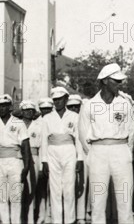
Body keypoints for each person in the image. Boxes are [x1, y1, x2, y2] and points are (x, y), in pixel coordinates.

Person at [78, 63, 134, 224]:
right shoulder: (89, 105)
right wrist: (94, 152)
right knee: (97, 202)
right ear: (104, 81)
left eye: (120, 81)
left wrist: (125, 151)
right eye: (115, 81)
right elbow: (83, 133)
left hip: (121, 151)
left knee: (125, 200)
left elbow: (131, 131)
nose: (119, 84)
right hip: (98, 152)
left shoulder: (125, 104)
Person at [0, 94, 32, 224]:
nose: (2, 109)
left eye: (5, 106)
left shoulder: (18, 123)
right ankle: (5, 221)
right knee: (1, 197)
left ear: (10, 107)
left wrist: (27, 166)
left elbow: (25, 146)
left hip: (15, 161)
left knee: (16, 196)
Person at [41, 87, 84, 224]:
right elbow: (43, 141)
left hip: (69, 152)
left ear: (66, 99)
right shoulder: (47, 118)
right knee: (55, 189)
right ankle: (57, 220)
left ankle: (70, 220)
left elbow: (78, 139)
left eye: (60, 99)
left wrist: (80, 158)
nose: (58, 102)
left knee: (69, 187)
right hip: (52, 152)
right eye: (55, 100)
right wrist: (44, 161)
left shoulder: (74, 116)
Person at [63, 94, 89, 224]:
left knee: (82, 184)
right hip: (67, 153)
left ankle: (81, 215)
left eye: (76, 106)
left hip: (84, 154)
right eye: (70, 106)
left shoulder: (85, 119)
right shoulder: (66, 119)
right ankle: (68, 215)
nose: (74, 108)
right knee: (68, 185)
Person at [20, 100, 42, 224]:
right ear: (22, 111)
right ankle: (19, 217)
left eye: (31, 110)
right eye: (26, 110)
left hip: (34, 157)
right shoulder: (17, 125)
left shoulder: (38, 126)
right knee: (19, 188)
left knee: (32, 189)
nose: (28, 112)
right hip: (19, 158)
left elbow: (42, 145)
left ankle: (30, 219)